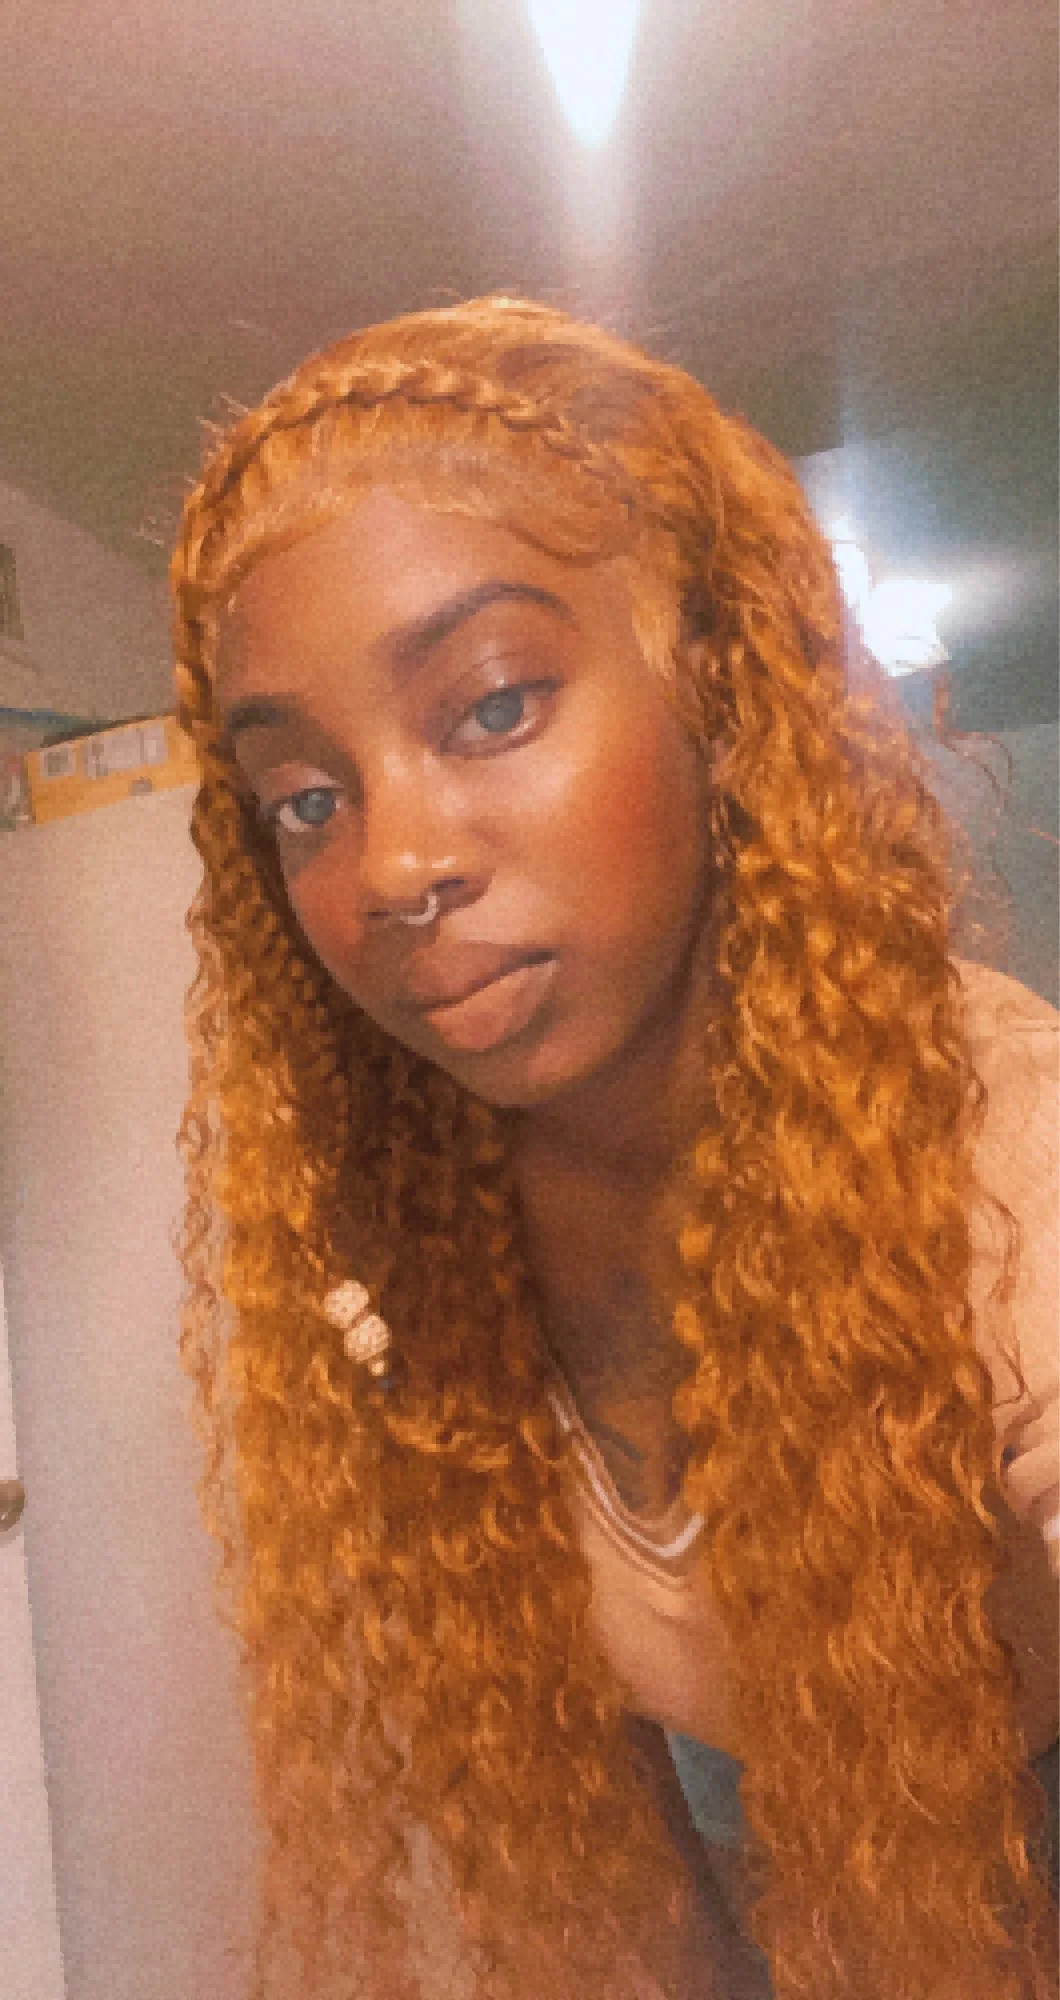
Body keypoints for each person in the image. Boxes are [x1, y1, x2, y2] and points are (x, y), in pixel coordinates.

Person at [170, 297, 1058, 2000]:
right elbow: (602, 1828)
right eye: (307, 801)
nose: (392, 868)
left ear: (716, 691)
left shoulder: (1008, 1163)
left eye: (492, 707)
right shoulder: (408, 1239)